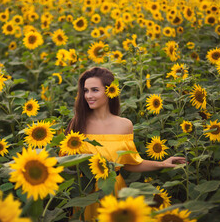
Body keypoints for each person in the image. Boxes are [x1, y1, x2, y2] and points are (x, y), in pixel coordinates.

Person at [65, 67, 186, 220]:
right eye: (86, 90)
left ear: (109, 92)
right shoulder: (77, 124)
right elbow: (67, 163)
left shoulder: (124, 125)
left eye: (95, 90)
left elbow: (129, 163)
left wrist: (162, 164)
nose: (89, 95)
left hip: (114, 188)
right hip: (86, 191)